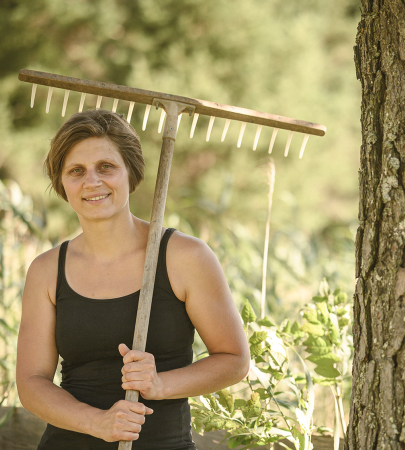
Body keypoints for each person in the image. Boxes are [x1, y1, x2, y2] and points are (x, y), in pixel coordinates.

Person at [16, 109, 250, 450]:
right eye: (76, 171)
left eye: (106, 167)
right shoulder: (46, 270)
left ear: (131, 172)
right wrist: (98, 422)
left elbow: (234, 360)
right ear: (62, 184)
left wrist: (159, 384)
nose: (92, 182)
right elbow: (31, 383)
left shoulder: (184, 257)